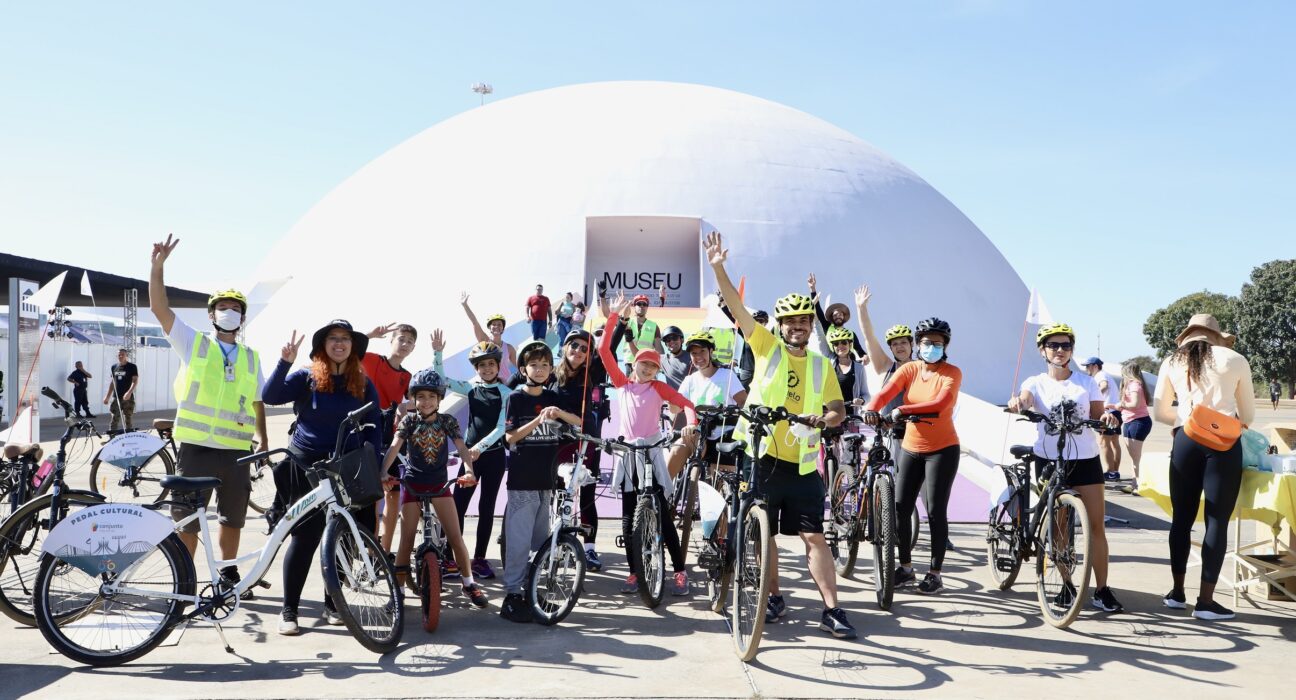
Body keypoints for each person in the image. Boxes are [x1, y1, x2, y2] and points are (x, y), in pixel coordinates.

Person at [704, 231, 856, 639]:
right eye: (791, 321)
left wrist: (824, 419)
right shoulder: (765, 346)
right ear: (781, 325)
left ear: (811, 325)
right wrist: (718, 267)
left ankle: (832, 610)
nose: (797, 326)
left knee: (814, 536)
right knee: (765, 532)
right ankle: (773, 597)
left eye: (804, 321)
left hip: (803, 463)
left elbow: (838, 409)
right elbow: (737, 308)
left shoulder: (822, 365)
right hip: (762, 455)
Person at [149, 234, 270, 597]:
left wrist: (264, 439)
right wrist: (158, 268)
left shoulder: (251, 357)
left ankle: (228, 575)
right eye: (223, 307)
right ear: (212, 314)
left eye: (235, 308)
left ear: (242, 317)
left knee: (233, 517)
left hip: (237, 451)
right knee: (188, 519)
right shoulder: (195, 343)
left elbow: (258, 401)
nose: (229, 312)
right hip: (197, 447)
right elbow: (159, 309)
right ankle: (185, 580)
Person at [262, 319, 382, 635]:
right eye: (333, 338)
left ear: (353, 347)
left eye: (345, 339)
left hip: (347, 467)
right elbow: (270, 395)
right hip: (306, 464)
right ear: (323, 346)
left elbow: (375, 425)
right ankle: (289, 610)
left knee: (344, 535)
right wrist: (285, 362)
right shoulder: (307, 377)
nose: (339, 343)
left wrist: (376, 462)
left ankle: (333, 605)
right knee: (305, 537)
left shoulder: (363, 382)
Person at [1007, 323, 1125, 613]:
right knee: (1059, 527)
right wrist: (1018, 403)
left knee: (1096, 526)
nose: (1060, 350)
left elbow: (1098, 415)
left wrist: (1107, 419)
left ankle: (1102, 590)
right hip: (1049, 458)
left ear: (1072, 350)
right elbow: (1025, 399)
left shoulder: (1086, 382)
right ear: (1042, 350)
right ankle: (1066, 584)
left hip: (1085, 459)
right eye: (1053, 345)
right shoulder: (1035, 382)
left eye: (1066, 346)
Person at [1153, 313, 1255, 621]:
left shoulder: (1171, 362)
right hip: (1223, 443)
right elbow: (1248, 415)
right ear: (1216, 336)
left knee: (1181, 520)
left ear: (1187, 336)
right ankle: (1206, 602)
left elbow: (1160, 411)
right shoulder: (1235, 359)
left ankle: (1177, 593)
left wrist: (1185, 422)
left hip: (1186, 438)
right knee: (1216, 521)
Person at [597, 297, 698, 597]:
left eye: (653, 366)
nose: (649, 369)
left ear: (657, 370)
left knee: (662, 515)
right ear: (635, 364)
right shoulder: (622, 384)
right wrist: (614, 317)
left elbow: (687, 404)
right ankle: (633, 573)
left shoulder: (659, 387)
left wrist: (690, 423)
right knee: (629, 518)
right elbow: (603, 351)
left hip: (652, 453)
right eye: (644, 364)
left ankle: (679, 571)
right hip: (628, 454)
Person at [864, 317, 961, 595]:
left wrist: (901, 411)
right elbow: (886, 393)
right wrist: (872, 408)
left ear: (945, 346)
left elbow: (941, 404)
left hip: (942, 449)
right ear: (918, 344)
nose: (932, 347)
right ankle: (906, 568)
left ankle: (935, 574)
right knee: (900, 508)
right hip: (910, 447)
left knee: (935, 511)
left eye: (938, 344)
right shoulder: (910, 369)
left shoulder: (952, 372)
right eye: (927, 342)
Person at [379, 368, 488, 609]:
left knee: (455, 537)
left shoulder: (447, 421)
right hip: (412, 485)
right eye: (420, 396)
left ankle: (469, 583)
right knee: (406, 540)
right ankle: (398, 593)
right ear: (414, 399)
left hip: (439, 485)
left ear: (440, 399)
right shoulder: (409, 421)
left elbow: (462, 447)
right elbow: (395, 446)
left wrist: (469, 470)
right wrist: (383, 471)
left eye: (431, 396)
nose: (426, 401)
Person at [500, 339, 583, 623]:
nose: (539, 369)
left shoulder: (553, 396)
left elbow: (579, 422)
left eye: (545, 365)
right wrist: (538, 420)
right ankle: (512, 596)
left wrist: (558, 413)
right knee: (519, 542)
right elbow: (510, 437)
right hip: (522, 481)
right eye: (533, 364)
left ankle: (531, 591)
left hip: (546, 482)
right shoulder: (515, 398)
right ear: (523, 369)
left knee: (539, 541)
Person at [541, 292, 620, 570]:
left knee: (586, 495)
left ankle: (589, 549)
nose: (578, 350)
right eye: (573, 345)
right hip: (556, 441)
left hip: (586, 441)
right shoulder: (551, 373)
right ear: (565, 347)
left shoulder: (592, 373)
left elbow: (609, 346)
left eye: (584, 348)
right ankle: (554, 542)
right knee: (556, 493)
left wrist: (615, 319)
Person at [433, 334, 514, 580]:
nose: (487, 368)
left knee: (486, 508)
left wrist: (480, 447)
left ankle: (479, 559)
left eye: (491, 364)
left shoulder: (506, 393)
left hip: (493, 457)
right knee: (457, 506)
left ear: (498, 365)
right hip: (470, 458)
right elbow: (442, 380)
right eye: (481, 365)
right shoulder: (470, 388)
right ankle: (449, 558)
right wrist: (438, 354)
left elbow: (501, 427)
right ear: (476, 368)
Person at [362, 323, 416, 559]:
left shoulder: (407, 376)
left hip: (391, 439)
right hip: (367, 435)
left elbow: (419, 400)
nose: (405, 344)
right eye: (401, 339)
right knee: (374, 497)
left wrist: (405, 406)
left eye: (410, 342)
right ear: (392, 340)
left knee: (393, 495)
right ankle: (371, 549)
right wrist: (370, 335)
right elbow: (350, 349)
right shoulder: (374, 360)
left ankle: (384, 551)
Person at [668, 330, 748, 478]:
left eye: (702, 351)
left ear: (711, 351)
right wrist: (670, 402)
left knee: (719, 483)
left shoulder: (727, 375)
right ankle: (664, 489)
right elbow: (675, 408)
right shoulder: (690, 380)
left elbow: (743, 402)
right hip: (699, 434)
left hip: (726, 436)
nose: (698, 357)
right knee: (678, 448)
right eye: (694, 353)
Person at [854, 284, 916, 454]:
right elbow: (869, 337)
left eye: (903, 342)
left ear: (912, 344)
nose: (899, 347)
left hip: (916, 433)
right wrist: (861, 308)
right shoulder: (886, 366)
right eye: (895, 344)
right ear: (891, 348)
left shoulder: (922, 368)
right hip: (891, 434)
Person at [1081, 357, 1124, 482]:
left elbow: (1104, 385)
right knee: (1114, 442)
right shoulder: (1105, 375)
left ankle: (1110, 472)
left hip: (1108, 413)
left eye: (1087, 366)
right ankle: (1115, 472)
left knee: (1104, 443)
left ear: (1095, 366)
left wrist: (1092, 396)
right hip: (1116, 412)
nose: (1086, 369)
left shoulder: (1100, 375)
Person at [808, 273, 867, 360]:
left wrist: (865, 357)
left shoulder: (851, 333)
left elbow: (860, 351)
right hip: (832, 360)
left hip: (849, 362)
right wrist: (812, 289)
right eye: (835, 315)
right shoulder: (827, 327)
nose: (838, 316)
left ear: (843, 317)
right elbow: (818, 310)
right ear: (832, 318)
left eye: (840, 314)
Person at [460, 292, 518, 379]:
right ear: (489, 328)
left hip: (506, 383)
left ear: (503, 328)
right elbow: (475, 322)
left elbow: (519, 366)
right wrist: (465, 305)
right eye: (493, 324)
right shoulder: (485, 342)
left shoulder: (509, 348)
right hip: (491, 383)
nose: (496, 326)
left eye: (499, 324)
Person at [1118, 360, 1153, 495]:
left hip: (1138, 422)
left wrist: (1120, 405)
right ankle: (1134, 483)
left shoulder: (1134, 385)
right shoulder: (1132, 385)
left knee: (1136, 458)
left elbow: (1135, 404)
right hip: (1129, 421)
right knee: (1134, 457)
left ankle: (1140, 485)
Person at [819, 326, 870, 407]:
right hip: (831, 411)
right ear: (833, 347)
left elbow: (866, 395)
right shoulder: (829, 361)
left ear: (850, 345)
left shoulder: (859, 368)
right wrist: (815, 320)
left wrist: (862, 400)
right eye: (836, 344)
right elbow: (820, 337)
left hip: (851, 413)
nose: (840, 346)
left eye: (844, 342)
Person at [104, 347, 139, 431]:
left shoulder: (132, 366)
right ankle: (112, 435)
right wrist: (107, 396)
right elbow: (113, 382)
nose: (120, 356)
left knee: (128, 417)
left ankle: (129, 434)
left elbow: (135, 381)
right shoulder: (114, 367)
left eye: (122, 355)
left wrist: (129, 392)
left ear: (126, 355)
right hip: (116, 397)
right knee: (114, 417)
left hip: (127, 398)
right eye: (119, 355)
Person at [659, 325, 689, 389]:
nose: (672, 341)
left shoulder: (692, 357)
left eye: (674, 338)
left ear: (682, 340)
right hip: (671, 395)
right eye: (668, 340)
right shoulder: (663, 359)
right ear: (666, 344)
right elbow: (642, 358)